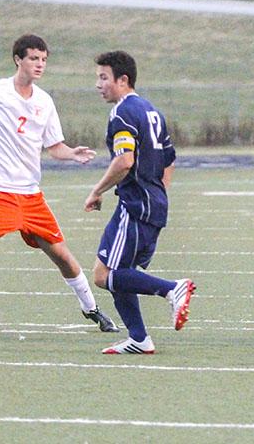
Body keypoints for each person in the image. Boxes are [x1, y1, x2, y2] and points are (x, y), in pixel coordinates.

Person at [0, 34, 118, 341]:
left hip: (30, 195)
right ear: (18, 60)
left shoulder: (44, 101)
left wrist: (71, 153)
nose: (40, 65)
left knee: (61, 254)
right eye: (34, 58)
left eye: (44, 59)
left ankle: (92, 309)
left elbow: (54, 147)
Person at [85, 50, 195, 354]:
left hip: (134, 204)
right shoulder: (151, 110)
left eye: (103, 77)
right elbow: (170, 159)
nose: (99, 84)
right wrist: (159, 192)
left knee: (104, 275)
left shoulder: (122, 114)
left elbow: (124, 161)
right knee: (116, 270)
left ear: (123, 80)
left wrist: (97, 191)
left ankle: (172, 289)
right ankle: (139, 339)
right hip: (153, 202)